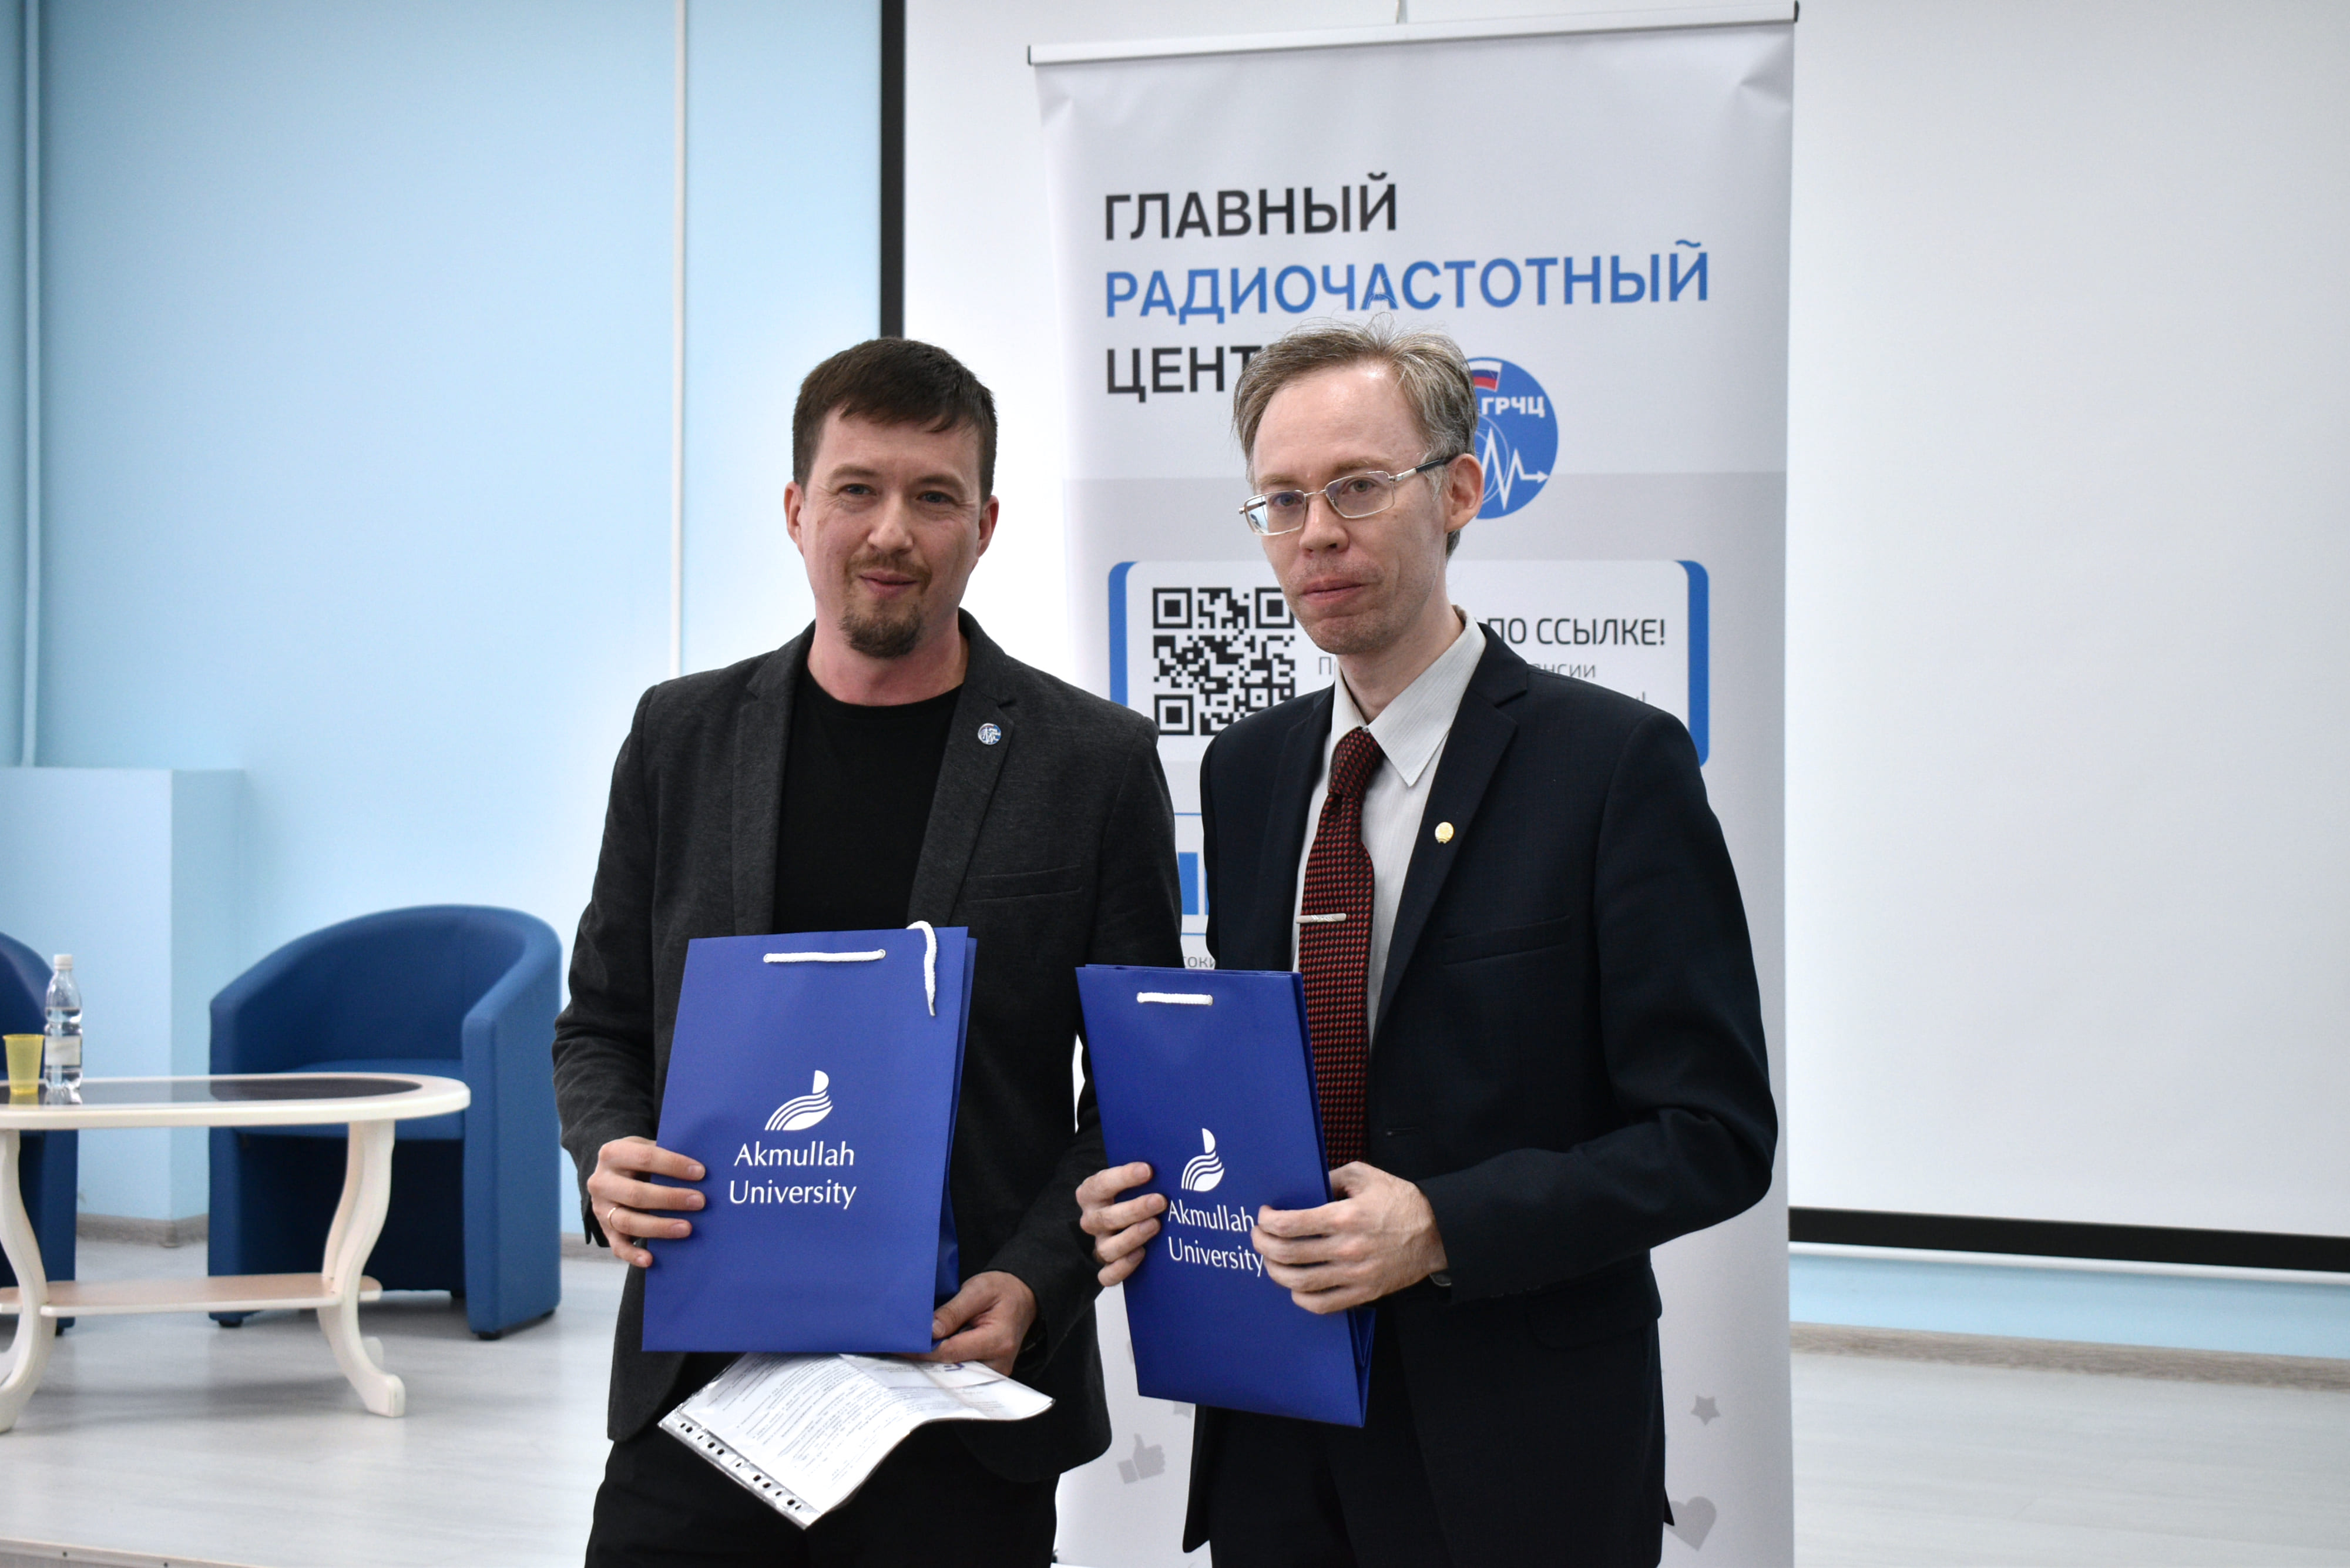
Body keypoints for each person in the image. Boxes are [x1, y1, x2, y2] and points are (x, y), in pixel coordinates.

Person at [1076, 320, 1778, 1567]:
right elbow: (1259, 1076)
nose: (1315, 533)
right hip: (1275, 1417)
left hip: (1518, 1443)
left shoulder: (1612, 765)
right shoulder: (1246, 770)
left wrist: (1442, 1225)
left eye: (1356, 486)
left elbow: (1712, 1136)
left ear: (1457, 490)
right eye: (1282, 500)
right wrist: (1136, 1178)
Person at [555, 337, 1183, 1566]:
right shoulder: (679, 738)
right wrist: (606, 1152)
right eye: (857, 489)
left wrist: (1037, 1281)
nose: (892, 531)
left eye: (934, 496)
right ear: (797, 510)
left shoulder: (1093, 764)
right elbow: (600, 1026)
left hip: (959, 1396)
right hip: (699, 1389)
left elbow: (1135, 1093)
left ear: (984, 526)